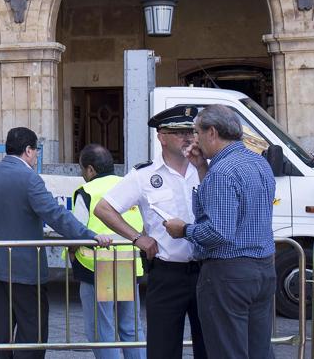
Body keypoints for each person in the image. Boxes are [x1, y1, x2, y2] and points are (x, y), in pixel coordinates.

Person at [0, 127, 113, 359]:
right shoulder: (29, 178)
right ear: (28, 150)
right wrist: (89, 236)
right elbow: (55, 215)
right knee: (32, 331)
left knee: (3, 332)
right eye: (37, 150)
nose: (37, 156)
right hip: (25, 269)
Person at [165, 104, 276, 359]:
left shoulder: (223, 172)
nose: (194, 139)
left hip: (228, 273)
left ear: (212, 132)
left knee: (227, 351)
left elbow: (219, 231)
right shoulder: (258, 162)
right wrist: (202, 168)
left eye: (197, 133)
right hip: (262, 269)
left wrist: (184, 230)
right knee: (258, 350)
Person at [96, 107, 208, 359]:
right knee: (163, 349)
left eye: (191, 131)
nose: (188, 137)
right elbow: (103, 208)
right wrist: (137, 237)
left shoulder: (205, 170)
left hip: (207, 271)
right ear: (162, 137)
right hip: (168, 273)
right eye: (179, 132)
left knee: (210, 347)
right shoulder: (144, 176)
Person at [71, 144, 146, 359]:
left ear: (91, 170)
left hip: (97, 266)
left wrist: (72, 254)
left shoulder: (87, 192)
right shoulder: (128, 186)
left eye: (82, 169)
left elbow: (75, 232)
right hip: (128, 263)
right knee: (131, 328)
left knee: (101, 330)